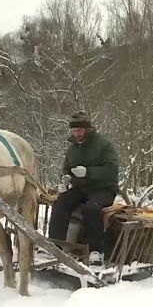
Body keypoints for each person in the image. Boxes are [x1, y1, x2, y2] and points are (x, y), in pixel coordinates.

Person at [48, 111, 119, 263]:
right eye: (73, 131)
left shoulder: (104, 145)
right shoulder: (72, 149)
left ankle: (96, 251)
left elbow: (112, 170)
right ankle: (55, 244)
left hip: (104, 189)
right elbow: (66, 169)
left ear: (87, 129)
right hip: (81, 189)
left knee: (91, 208)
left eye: (79, 130)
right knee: (61, 202)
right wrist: (66, 178)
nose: (76, 134)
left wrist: (88, 172)